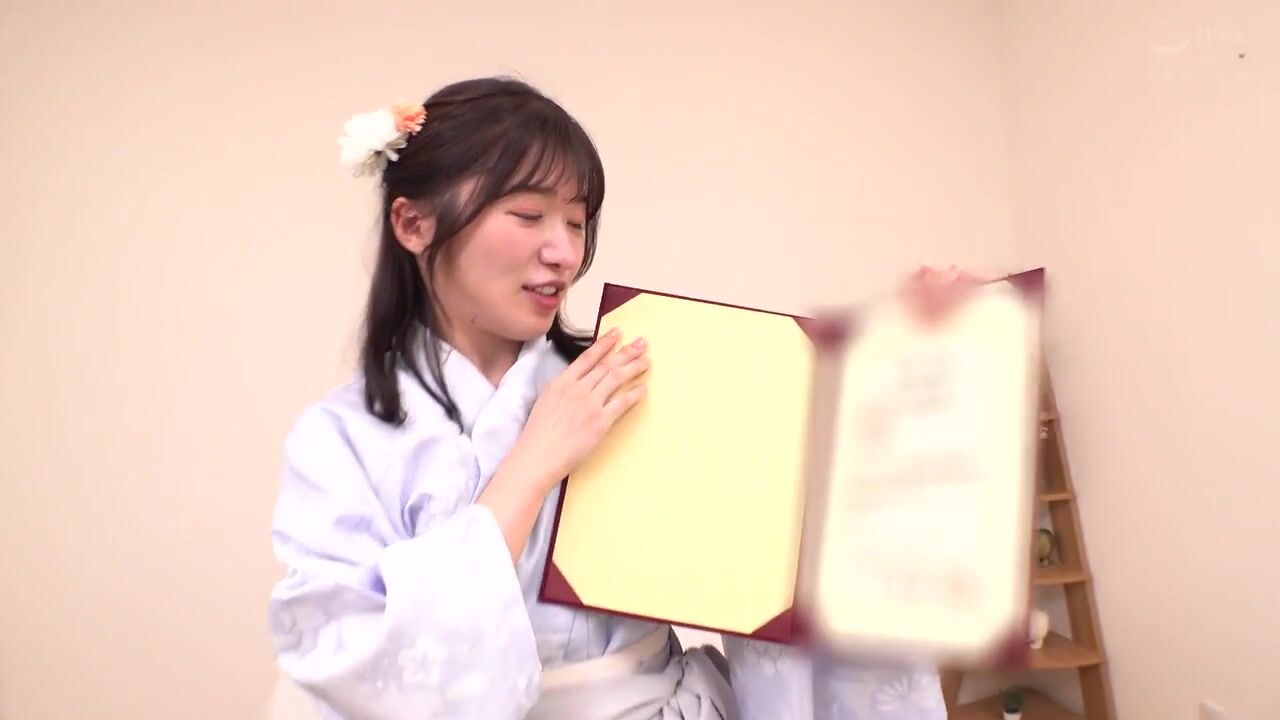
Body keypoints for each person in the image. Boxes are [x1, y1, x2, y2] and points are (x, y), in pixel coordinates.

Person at [268, 76, 949, 719]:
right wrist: (534, 463)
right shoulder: (336, 440)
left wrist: (915, 373)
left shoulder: (629, 379)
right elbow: (347, 651)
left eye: (577, 221)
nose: (564, 252)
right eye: (529, 214)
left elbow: (794, 540)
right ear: (413, 224)